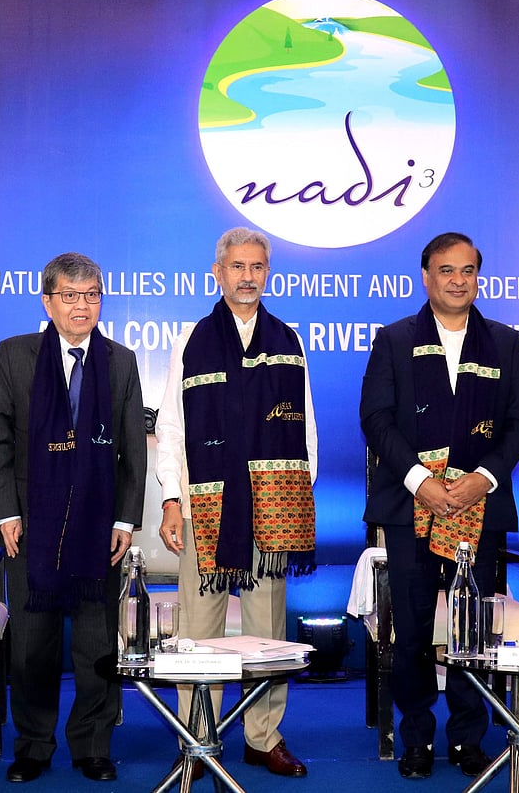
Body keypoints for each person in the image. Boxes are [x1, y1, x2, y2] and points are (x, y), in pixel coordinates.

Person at [360, 232, 519, 780]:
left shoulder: (505, 342)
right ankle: (416, 738)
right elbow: (376, 419)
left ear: (478, 276)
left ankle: (466, 738)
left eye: (467, 271)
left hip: (478, 506)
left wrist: (482, 478)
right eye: (446, 270)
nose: (458, 280)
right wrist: (419, 481)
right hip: (412, 504)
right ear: (426, 276)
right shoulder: (393, 340)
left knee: (472, 629)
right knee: (411, 630)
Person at [156, 226, 317, 779]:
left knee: (267, 628)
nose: (247, 277)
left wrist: (298, 495)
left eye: (257, 267)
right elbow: (173, 427)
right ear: (217, 273)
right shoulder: (192, 341)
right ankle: (197, 737)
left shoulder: (288, 340)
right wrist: (172, 499)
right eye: (237, 267)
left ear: (265, 273)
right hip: (208, 504)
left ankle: (263, 736)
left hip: (273, 507)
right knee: (198, 627)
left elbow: (306, 426)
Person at [0, 253, 146, 783]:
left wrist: (124, 520)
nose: (82, 305)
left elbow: (131, 453)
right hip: (30, 523)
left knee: (97, 646)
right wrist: (4, 510)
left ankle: (92, 744)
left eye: (92, 294)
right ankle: (33, 743)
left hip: (100, 527)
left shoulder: (120, 361)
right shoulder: (15, 355)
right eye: (71, 296)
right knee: (31, 645)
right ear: (48, 301)